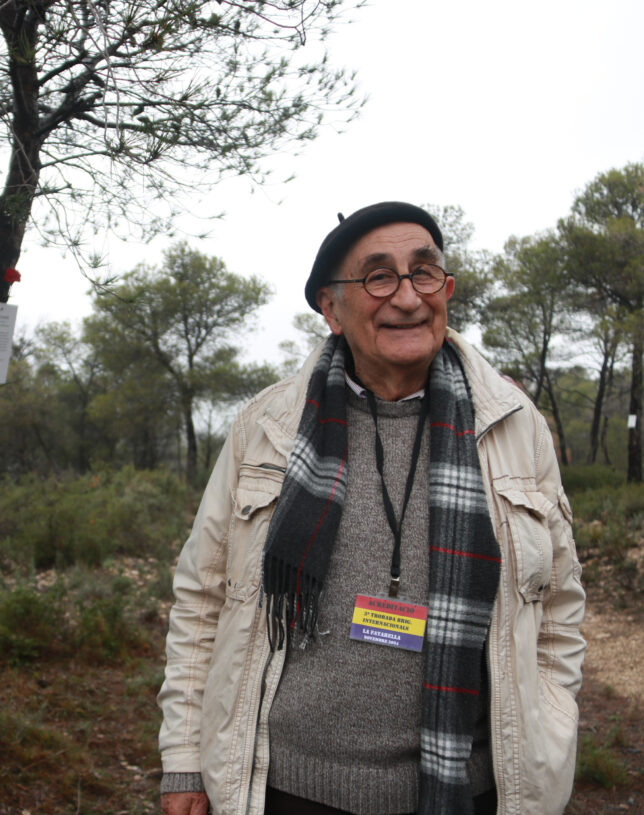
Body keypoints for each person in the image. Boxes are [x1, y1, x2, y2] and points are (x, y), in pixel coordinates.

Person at [157, 202, 585, 815]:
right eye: (379, 277)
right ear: (332, 309)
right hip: (288, 790)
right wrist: (184, 762)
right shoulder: (268, 427)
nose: (408, 298)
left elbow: (560, 608)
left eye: (425, 272)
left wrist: (552, 721)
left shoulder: (513, 426)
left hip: (467, 789)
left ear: (447, 289)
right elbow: (202, 597)